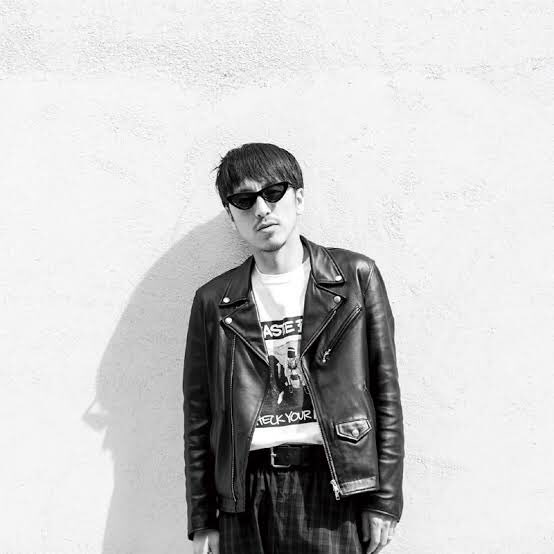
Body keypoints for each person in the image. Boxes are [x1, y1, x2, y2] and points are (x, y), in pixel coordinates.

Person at [182, 143, 404, 554]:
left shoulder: (355, 279)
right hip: (244, 495)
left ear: (298, 197)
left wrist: (384, 501)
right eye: (244, 200)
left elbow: (385, 393)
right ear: (231, 215)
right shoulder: (214, 302)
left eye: (273, 193)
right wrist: (203, 519)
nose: (261, 209)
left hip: (333, 485)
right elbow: (199, 417)